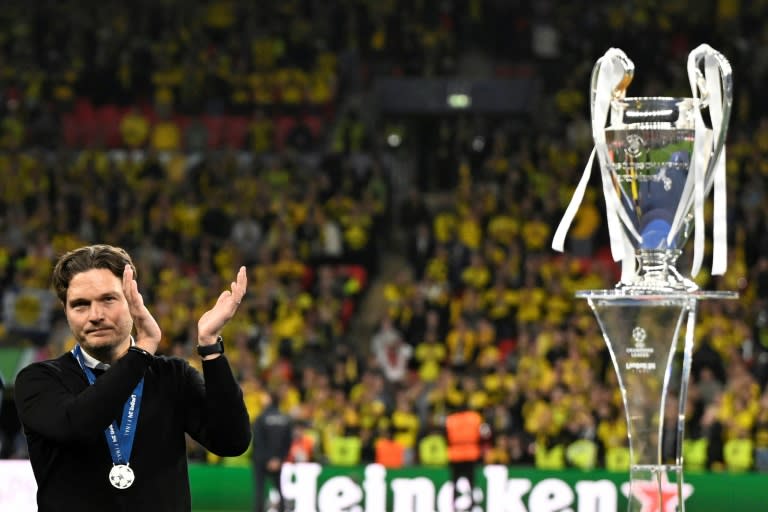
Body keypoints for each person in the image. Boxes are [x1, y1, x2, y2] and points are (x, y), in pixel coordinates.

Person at [14, 244, 252, 511]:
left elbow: (232, 441)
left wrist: (209, 347)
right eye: (80, 305)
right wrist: (143, 349)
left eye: (108, 299)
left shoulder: (172, 376)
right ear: (65, 310)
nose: (95, 315)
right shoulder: (39, 380)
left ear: (132, 299)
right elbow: (79, 425)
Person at [251, 390, 293, 512]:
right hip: (277, 461)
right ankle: (282, 509)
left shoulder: (261, 418)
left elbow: (258, 441)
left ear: (270, 399)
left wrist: (268, 459)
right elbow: (288, 442)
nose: (262, 399)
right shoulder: (285, 418)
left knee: (259, 490)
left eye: (265, 397)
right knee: (279, 489)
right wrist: (278, 459)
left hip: (261, 460)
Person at [445, 406, 489, 512]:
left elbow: (445, 436)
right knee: (472, 482)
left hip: (455, 454)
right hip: (471, 454)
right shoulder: (475, 417)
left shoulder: (450, 419)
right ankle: (473, 505)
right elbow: (485, 434)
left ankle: (454, 506)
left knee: (455, 483)